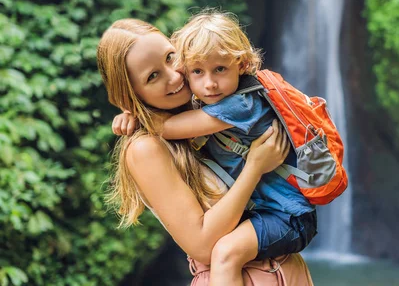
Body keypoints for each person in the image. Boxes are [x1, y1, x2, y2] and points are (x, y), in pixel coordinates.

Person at [97, 19, 314, 286]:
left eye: (170, 58)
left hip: (285, 271)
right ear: (131, 93)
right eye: (152, 76)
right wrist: (255, 167)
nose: (174, 76)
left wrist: (139, 114)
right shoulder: (145, 148)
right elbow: (201, 245)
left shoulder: (209, 104)